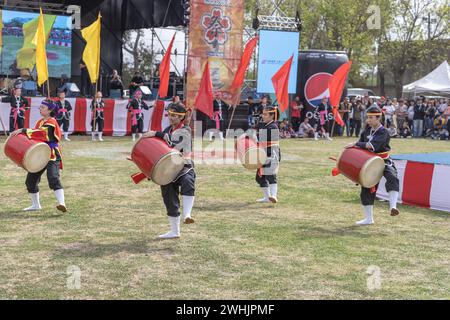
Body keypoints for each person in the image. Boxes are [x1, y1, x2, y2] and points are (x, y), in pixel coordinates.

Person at [142, 103, 195, 239]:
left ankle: (187, 215)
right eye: (170, 115)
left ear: (181, 118)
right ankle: (174, 232)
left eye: (174, 116)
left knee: (188, 182)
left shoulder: (186, 129)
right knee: (169, 197)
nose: (171, 118)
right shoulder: (167, 129)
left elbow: (174, 142)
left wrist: (156, 133)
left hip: (183, 165)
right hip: (167, 168)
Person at [9, 100, 67, 212]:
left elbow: (42, 134)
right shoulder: (40, 122)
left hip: (51, 153)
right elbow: (34, 138)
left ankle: (62, 203)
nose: (40, 109)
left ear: (50, 110)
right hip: (39, 153)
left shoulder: (52, 121)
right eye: (40, 107)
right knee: (31, 180)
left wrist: (24, 130)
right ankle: (36, 205)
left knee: (53, 177)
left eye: (43, 107)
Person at [346, 106, 400, 225]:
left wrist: (356, 143)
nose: (368, 120)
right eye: (368, 117)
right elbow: (361, 148)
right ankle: (368, 219)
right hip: (370, 162)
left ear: (378, 118)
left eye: (371, 118)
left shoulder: (383, 132)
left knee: (392, 177)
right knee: (367, 188)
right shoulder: (366, 131)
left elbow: (370, 146)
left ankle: (393, 207)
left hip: (384, 160)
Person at [255, 105, 280, 204]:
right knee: (260, 178)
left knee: (270, 175)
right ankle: (266, 197)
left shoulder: (273, 127)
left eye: (265, 114)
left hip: (271, 155)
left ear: (271, 116)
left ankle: (273, 196)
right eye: (263, 114)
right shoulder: (262, 125)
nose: (263, 116)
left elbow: (271, 143)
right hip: (262, 154)